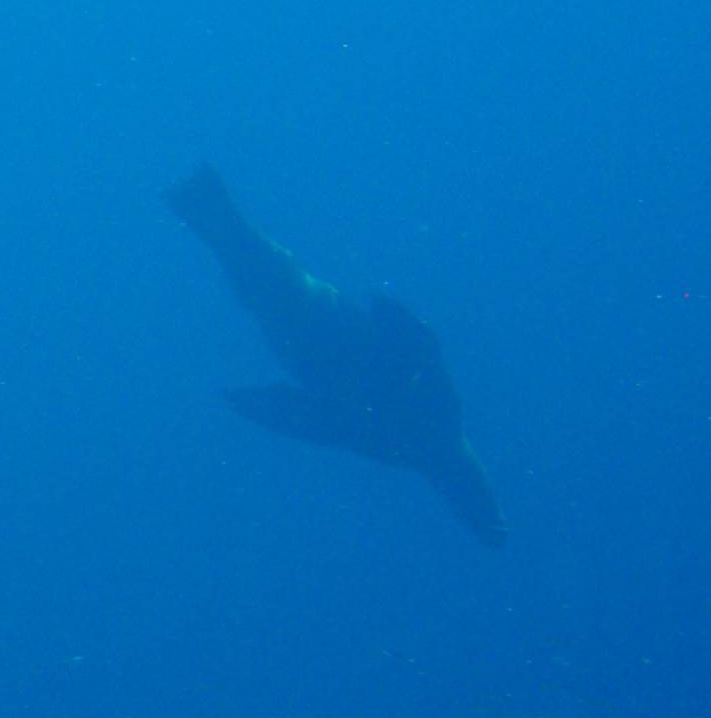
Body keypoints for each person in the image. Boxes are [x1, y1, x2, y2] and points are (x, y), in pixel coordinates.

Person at [167, 164, 507, 546]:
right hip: (323, 337)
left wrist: (263, 407)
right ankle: (206, 204)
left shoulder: (410, 442)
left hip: (315, 344)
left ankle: (206, 204)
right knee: (269, 283)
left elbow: (328, 424)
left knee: (267, 281)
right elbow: (329, 422)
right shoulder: (429, 429)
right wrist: (263, 406)